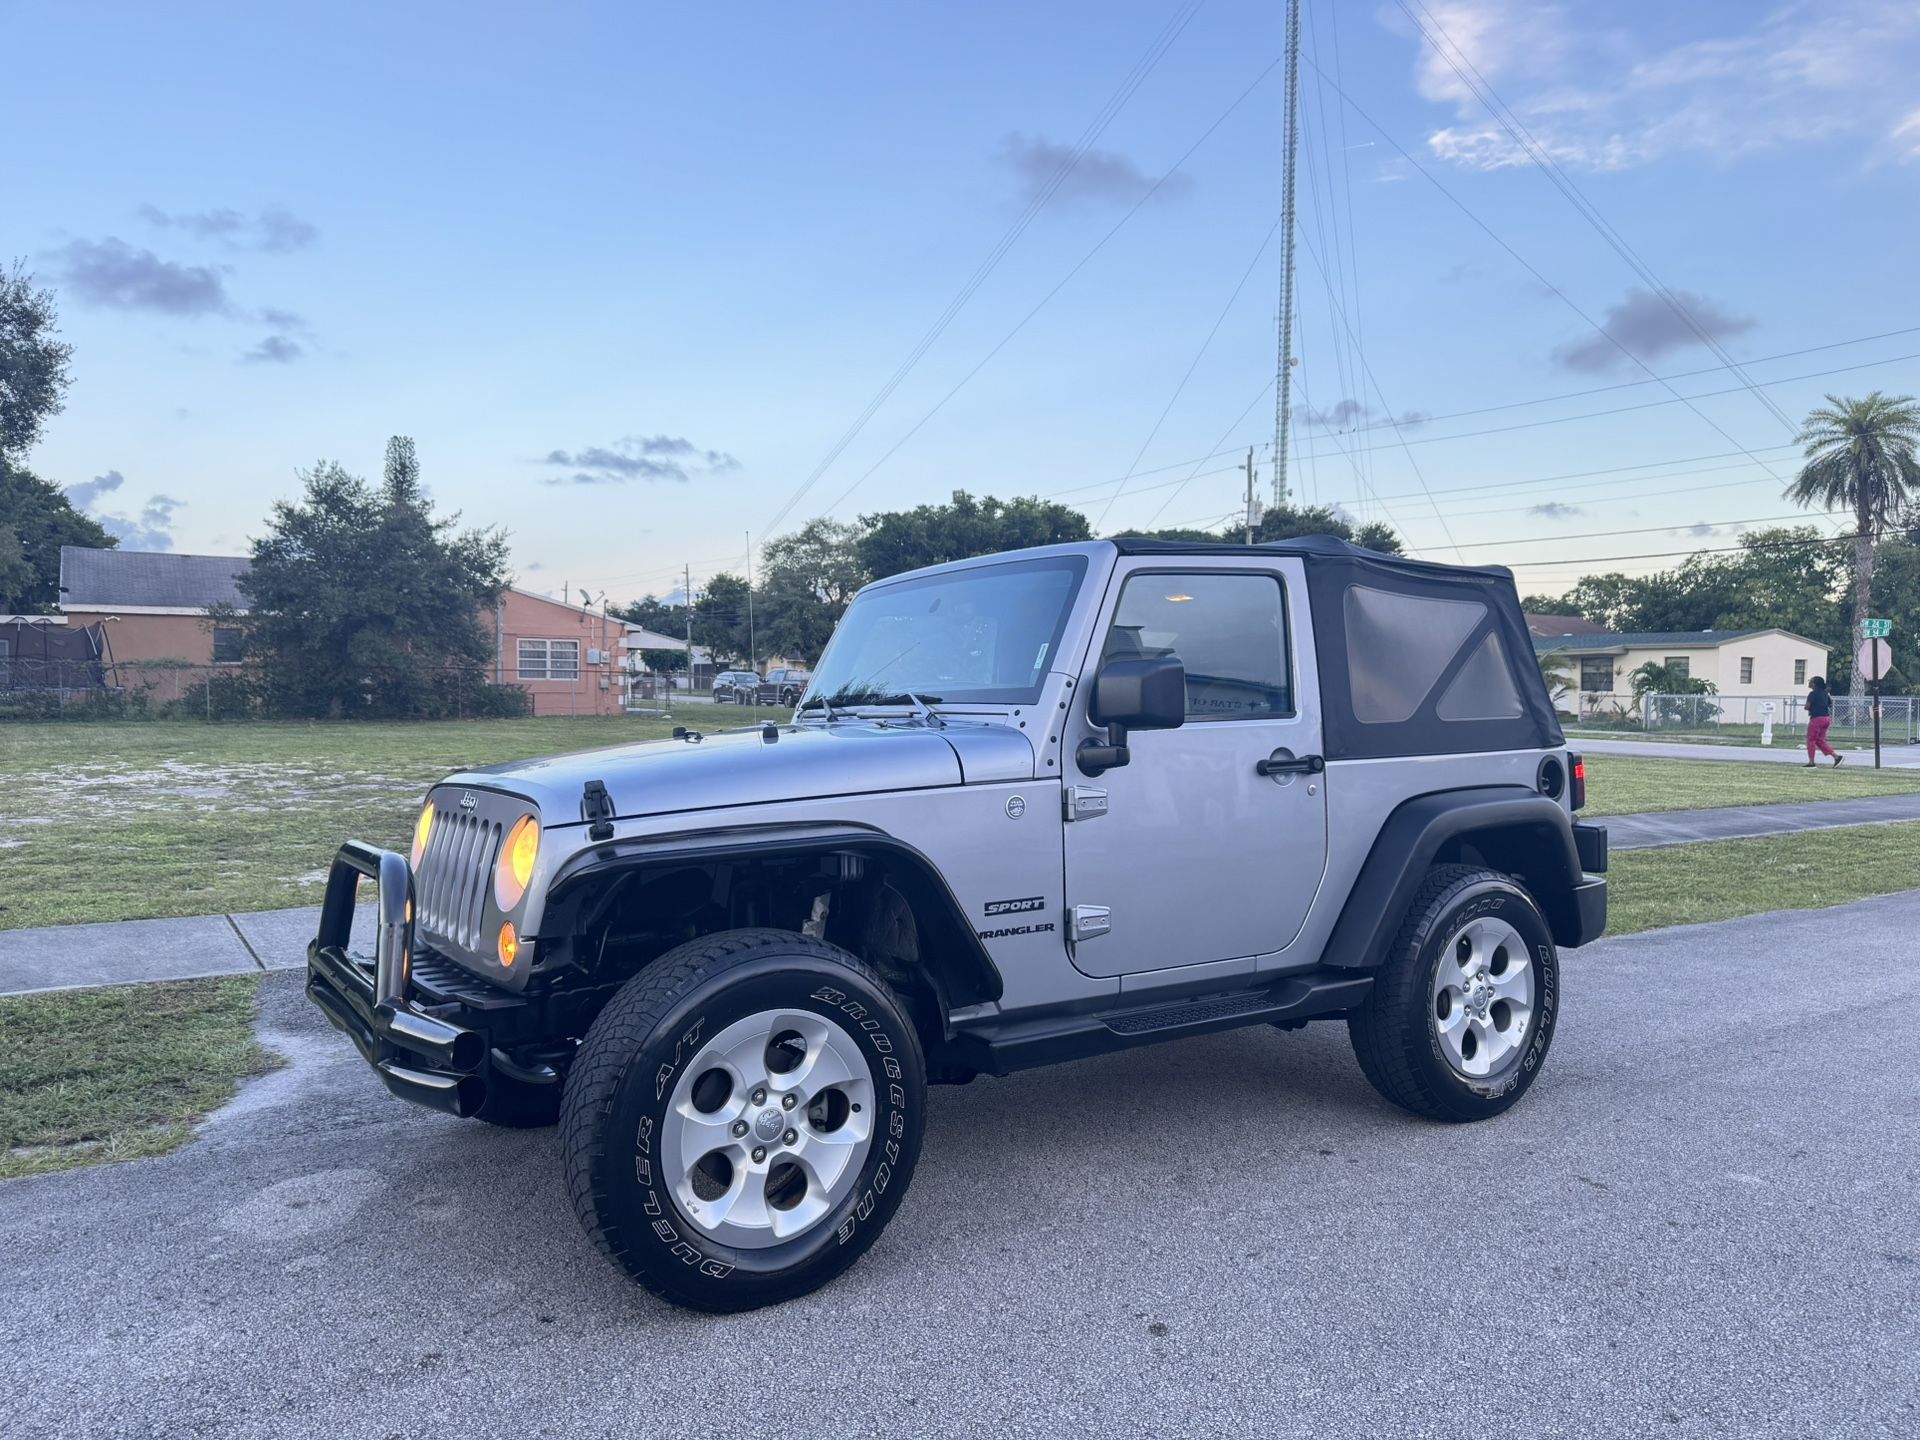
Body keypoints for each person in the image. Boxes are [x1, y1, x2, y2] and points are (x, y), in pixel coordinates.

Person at [1805, 675, 1842, 767]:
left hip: (1816, 719)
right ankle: (1836, 757)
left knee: (1811, 740)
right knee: (1819, 740)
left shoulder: (1812, 694)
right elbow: (1829, 704)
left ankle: (1811, 762)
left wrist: (1811, 707)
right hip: (1826, 718)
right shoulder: (1825, 693)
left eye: (1810, 681)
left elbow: (1807, 706)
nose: (1809, 682)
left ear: (1814, 684)